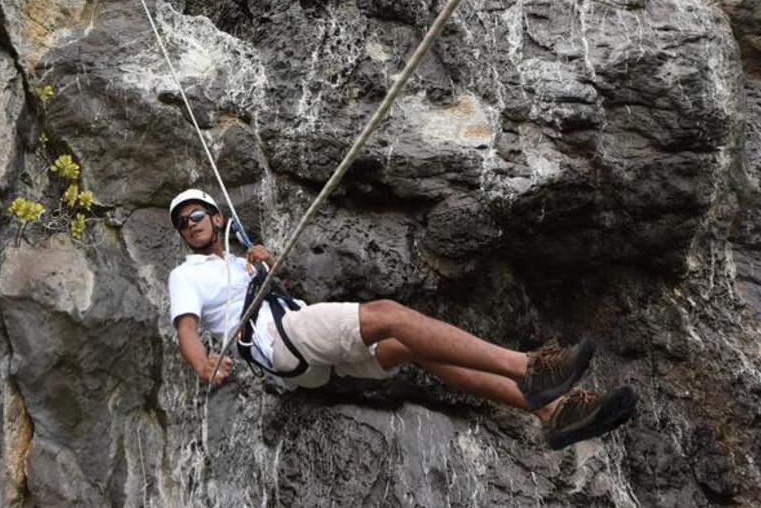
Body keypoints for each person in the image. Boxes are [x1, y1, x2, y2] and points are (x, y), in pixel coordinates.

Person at [165, 188, 638, 450]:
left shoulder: (242, 259)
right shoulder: (184, 275)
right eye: (183, 222)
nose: (191, 223)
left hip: (303, 361)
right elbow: (187, 330)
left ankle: (551, 412)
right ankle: (531, 367)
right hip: (281, 339)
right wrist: (202, 363)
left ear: (216, 215)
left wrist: (260, 259)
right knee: (389, 314)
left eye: (197, 213)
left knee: (416, 349)